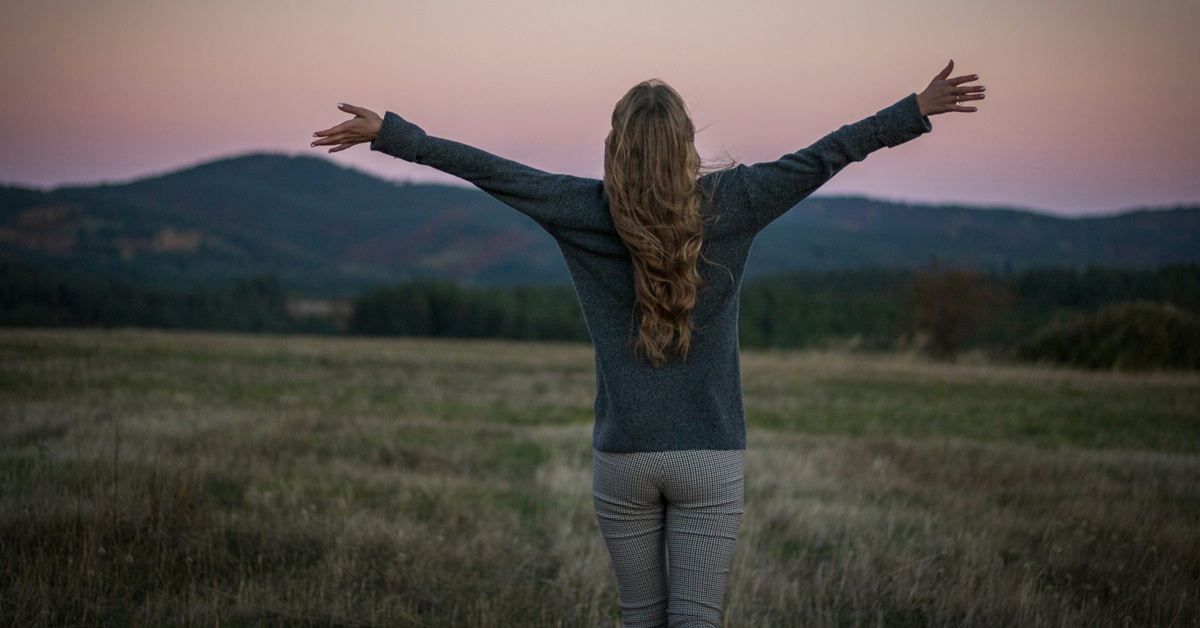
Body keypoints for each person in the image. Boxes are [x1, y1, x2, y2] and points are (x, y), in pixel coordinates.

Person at [312, 60, 984, 627]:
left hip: (624, 458)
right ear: (687, 144)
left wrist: (393, 136)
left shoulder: (581, 209)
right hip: (710, 456)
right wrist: (914, 109)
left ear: (616, 146)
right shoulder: (739, 200)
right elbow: (827, 154)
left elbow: (491, 171)